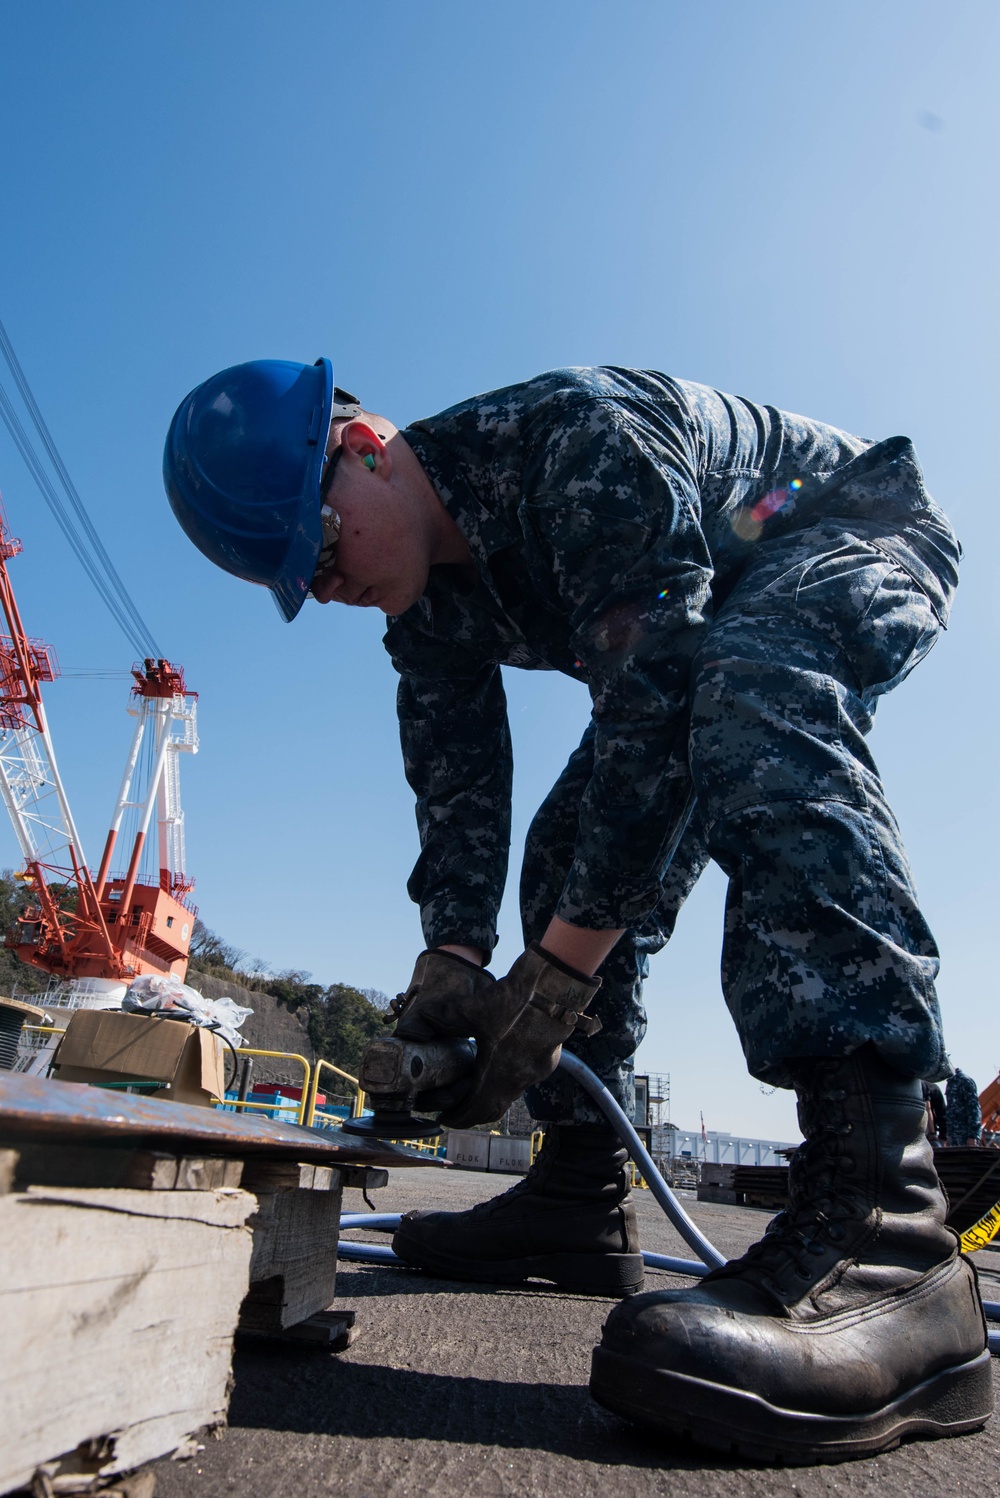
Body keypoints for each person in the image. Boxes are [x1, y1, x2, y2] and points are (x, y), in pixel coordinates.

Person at [164, 359, 990, 1463]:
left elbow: (655, 708)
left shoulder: (574, 443)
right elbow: (456, 779)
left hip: (844, 524)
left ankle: (890, 1234)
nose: (323, 587)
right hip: (708, 619)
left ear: (364, 448)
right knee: (567, 860)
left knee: (754, 685)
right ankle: (576, 1193)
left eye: (316, 548)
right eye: (296, 582)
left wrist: (550, 985)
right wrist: (452, 965)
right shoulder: (421, 608)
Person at [946, 1067, 982, 1147]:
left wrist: (973, 1136)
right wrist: (949, 1135)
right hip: (954, 1137)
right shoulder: (950, 1083)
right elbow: (951, 1111)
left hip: (966, 1136)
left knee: (968, 1159)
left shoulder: (964, 1081)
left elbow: (974, 1109)